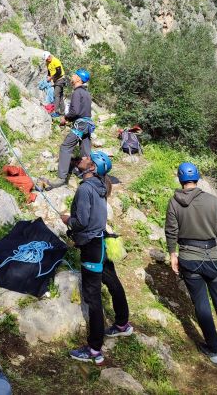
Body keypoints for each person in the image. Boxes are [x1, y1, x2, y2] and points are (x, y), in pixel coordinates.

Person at [61, 152, 133, 364]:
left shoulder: (85, 189)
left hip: (92, 246)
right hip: (101, 241)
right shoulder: (100, 186)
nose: (82, 157)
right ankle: (122, 324)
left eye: (86, 158)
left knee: (92, 297)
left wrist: (67, 219)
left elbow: (82, 221)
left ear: (91, 167)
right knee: (112, 282)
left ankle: (94, 350)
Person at [165, 162, 217, 364]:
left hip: (189, 258)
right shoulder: (213, 201)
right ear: (197, 178)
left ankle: (213, 350)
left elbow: (171, 231)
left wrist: (173, 254)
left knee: (201, 303)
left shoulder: (174, 202)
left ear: (180, 179)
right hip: (214, 258)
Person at [44, 68, 93, 190]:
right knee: (85, 152)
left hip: (80, 125)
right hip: (87, 125)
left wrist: (65, 118)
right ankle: (88, 176)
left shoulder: (77, 92)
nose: (72, 76)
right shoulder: (86, 93)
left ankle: (61, 179)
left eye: (75, 75)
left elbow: (75, 111)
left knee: (65, 147)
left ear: (79, 79)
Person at [42, 51, 66, 117]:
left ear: (49, 56)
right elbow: (49, 71)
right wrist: (48, 76)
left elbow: (59, 72)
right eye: (46, 59)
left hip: (61, 79)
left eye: (47, 58)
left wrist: (51, 78)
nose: (47, 60)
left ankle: (56, 111)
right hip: (56, 81)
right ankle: (62, 113)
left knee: (56, 94)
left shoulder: (56, 61)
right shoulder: (48, 62)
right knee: (60, 96)